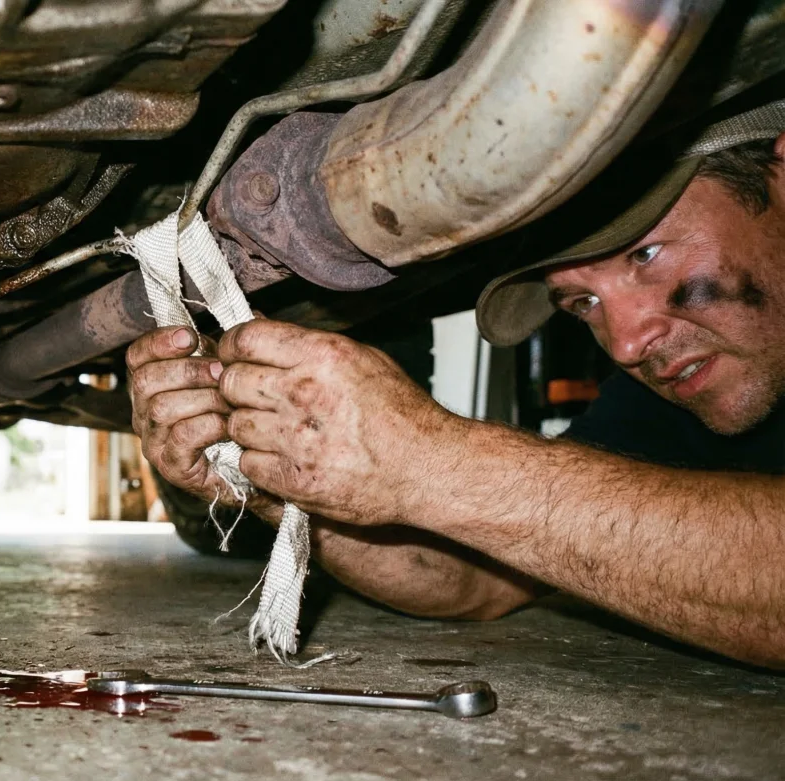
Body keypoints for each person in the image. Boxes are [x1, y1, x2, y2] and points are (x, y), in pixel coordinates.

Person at [126, 100, 785, 669]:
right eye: (583, 304)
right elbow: (480, 580)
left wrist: (431, 458)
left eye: (646, 255)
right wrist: (274, 474)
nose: (626, 343)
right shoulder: (669, 397)